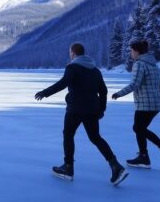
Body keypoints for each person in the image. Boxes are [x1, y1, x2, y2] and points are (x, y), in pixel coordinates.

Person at [35, 43, 128, 186]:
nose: (70, 55)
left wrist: (45, 92)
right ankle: (115, 166)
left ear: (73, 53)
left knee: (68, 135)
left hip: (75, 109)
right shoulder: (95, 70)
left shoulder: (72, 67)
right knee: (95, 138)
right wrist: (101, 109)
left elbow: (63, 83)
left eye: (70, 52)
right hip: (92, 110)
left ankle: (68, 167)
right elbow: (103, 91)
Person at [112, 40, 160, 169]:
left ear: (137, 51)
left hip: (144, 104)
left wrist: (119, 94)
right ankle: (144, 157)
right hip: (155, 104)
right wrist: (159, 100)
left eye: (131, 51)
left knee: (138, 128)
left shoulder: (139, 64)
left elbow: (134, 84)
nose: (131, 53)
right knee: (140, 129)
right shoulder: (154, 65)